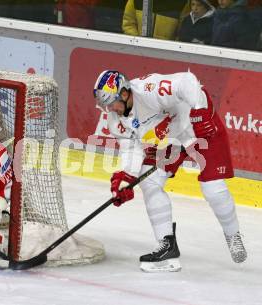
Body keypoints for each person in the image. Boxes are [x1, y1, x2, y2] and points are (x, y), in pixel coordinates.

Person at [93, 70, 247, 272]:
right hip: (171, 141)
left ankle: (232, 234)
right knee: (149, 181)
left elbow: (188, 81)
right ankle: (167, 246)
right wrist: (125, 179)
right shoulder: (116, 120)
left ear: (124, 93)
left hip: (199, 129)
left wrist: (200, 112)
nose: (109, 109)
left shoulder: (148, 90)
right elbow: (131, 149)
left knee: (212, 188)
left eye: (111, 102)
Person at [122, 0, 190, 40]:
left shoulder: (182, 3)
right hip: (138, 49)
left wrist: (170, 48)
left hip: (167, 53)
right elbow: (128, 24)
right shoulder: (134, 1)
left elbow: (183, 32)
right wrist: (138, 41)